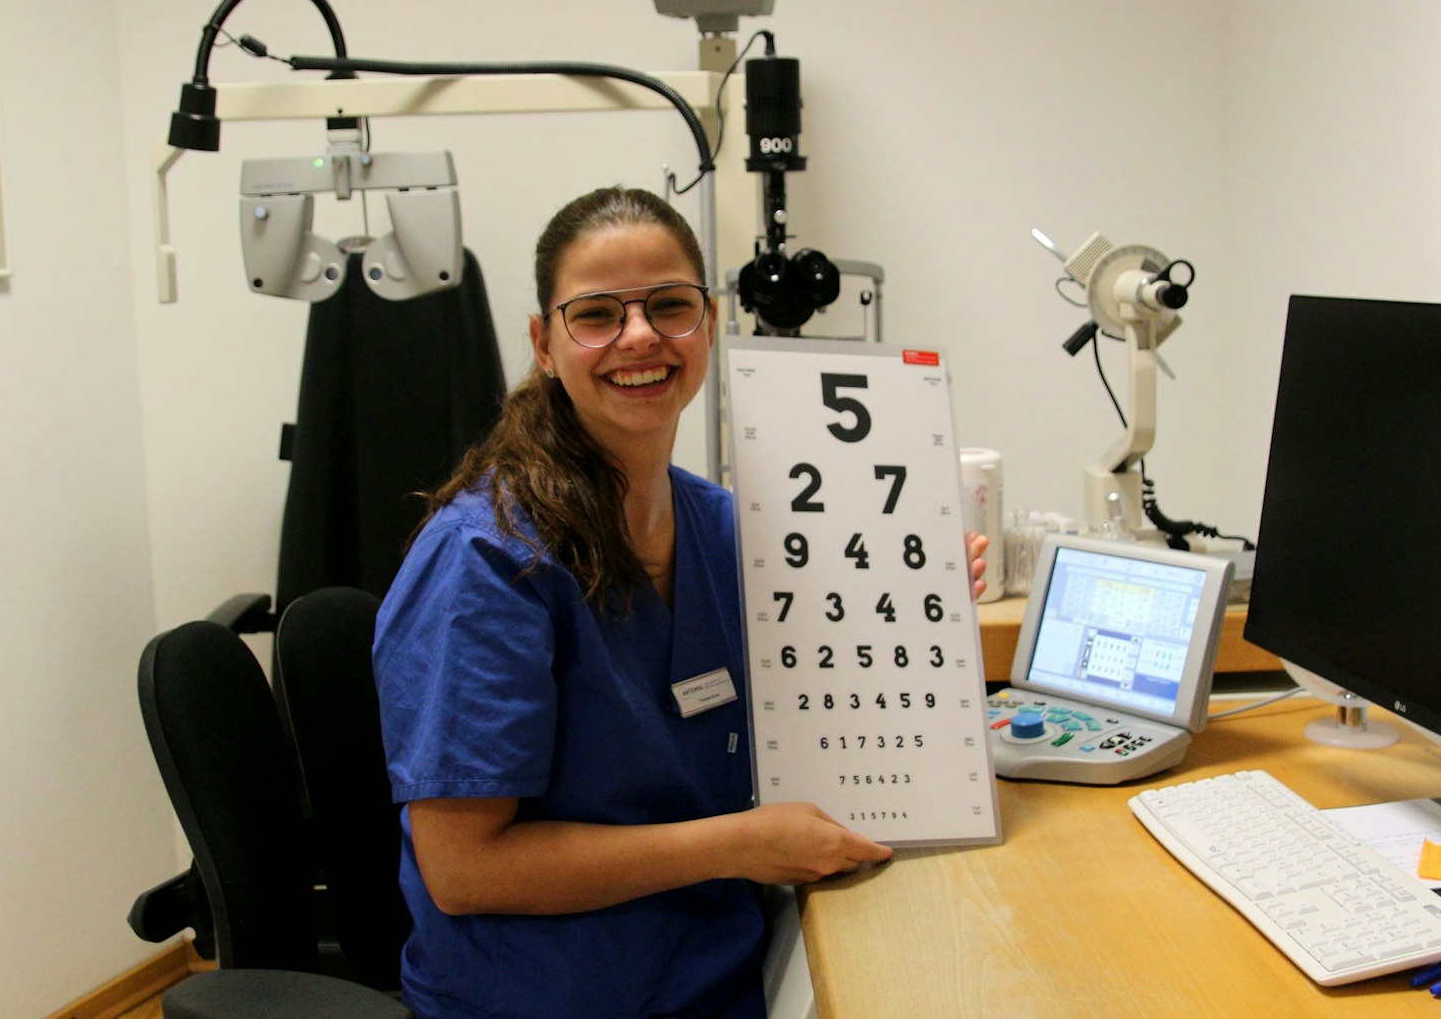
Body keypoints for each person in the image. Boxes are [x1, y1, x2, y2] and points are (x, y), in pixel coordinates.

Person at [373, 187, 986, 1018]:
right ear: (543, 344)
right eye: (596, 313)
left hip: (714, 967)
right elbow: (465, 869)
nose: (640, 336)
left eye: (670, 305)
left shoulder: (728, 526)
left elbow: (817, 686)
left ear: (708, 322)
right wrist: (743, 844)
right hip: (544, 997)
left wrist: (906, 592)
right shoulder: (487, 557)